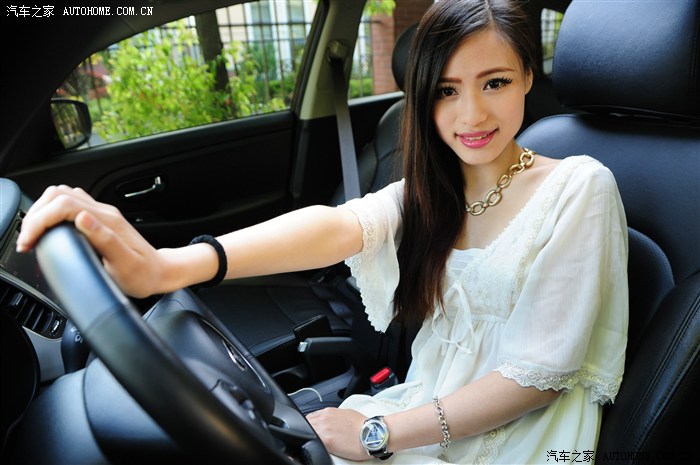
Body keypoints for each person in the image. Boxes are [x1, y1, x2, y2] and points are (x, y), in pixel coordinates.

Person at [16, 0, 629, 463]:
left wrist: (378, 434)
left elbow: (533, 380)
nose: (471, 114)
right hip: (426, 409)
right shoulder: (441, 184)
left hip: (522, 441)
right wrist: (170, 264)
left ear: (528, 76)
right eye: (447, 91)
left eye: (495, 82)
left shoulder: (580, 185)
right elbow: (338, 226)